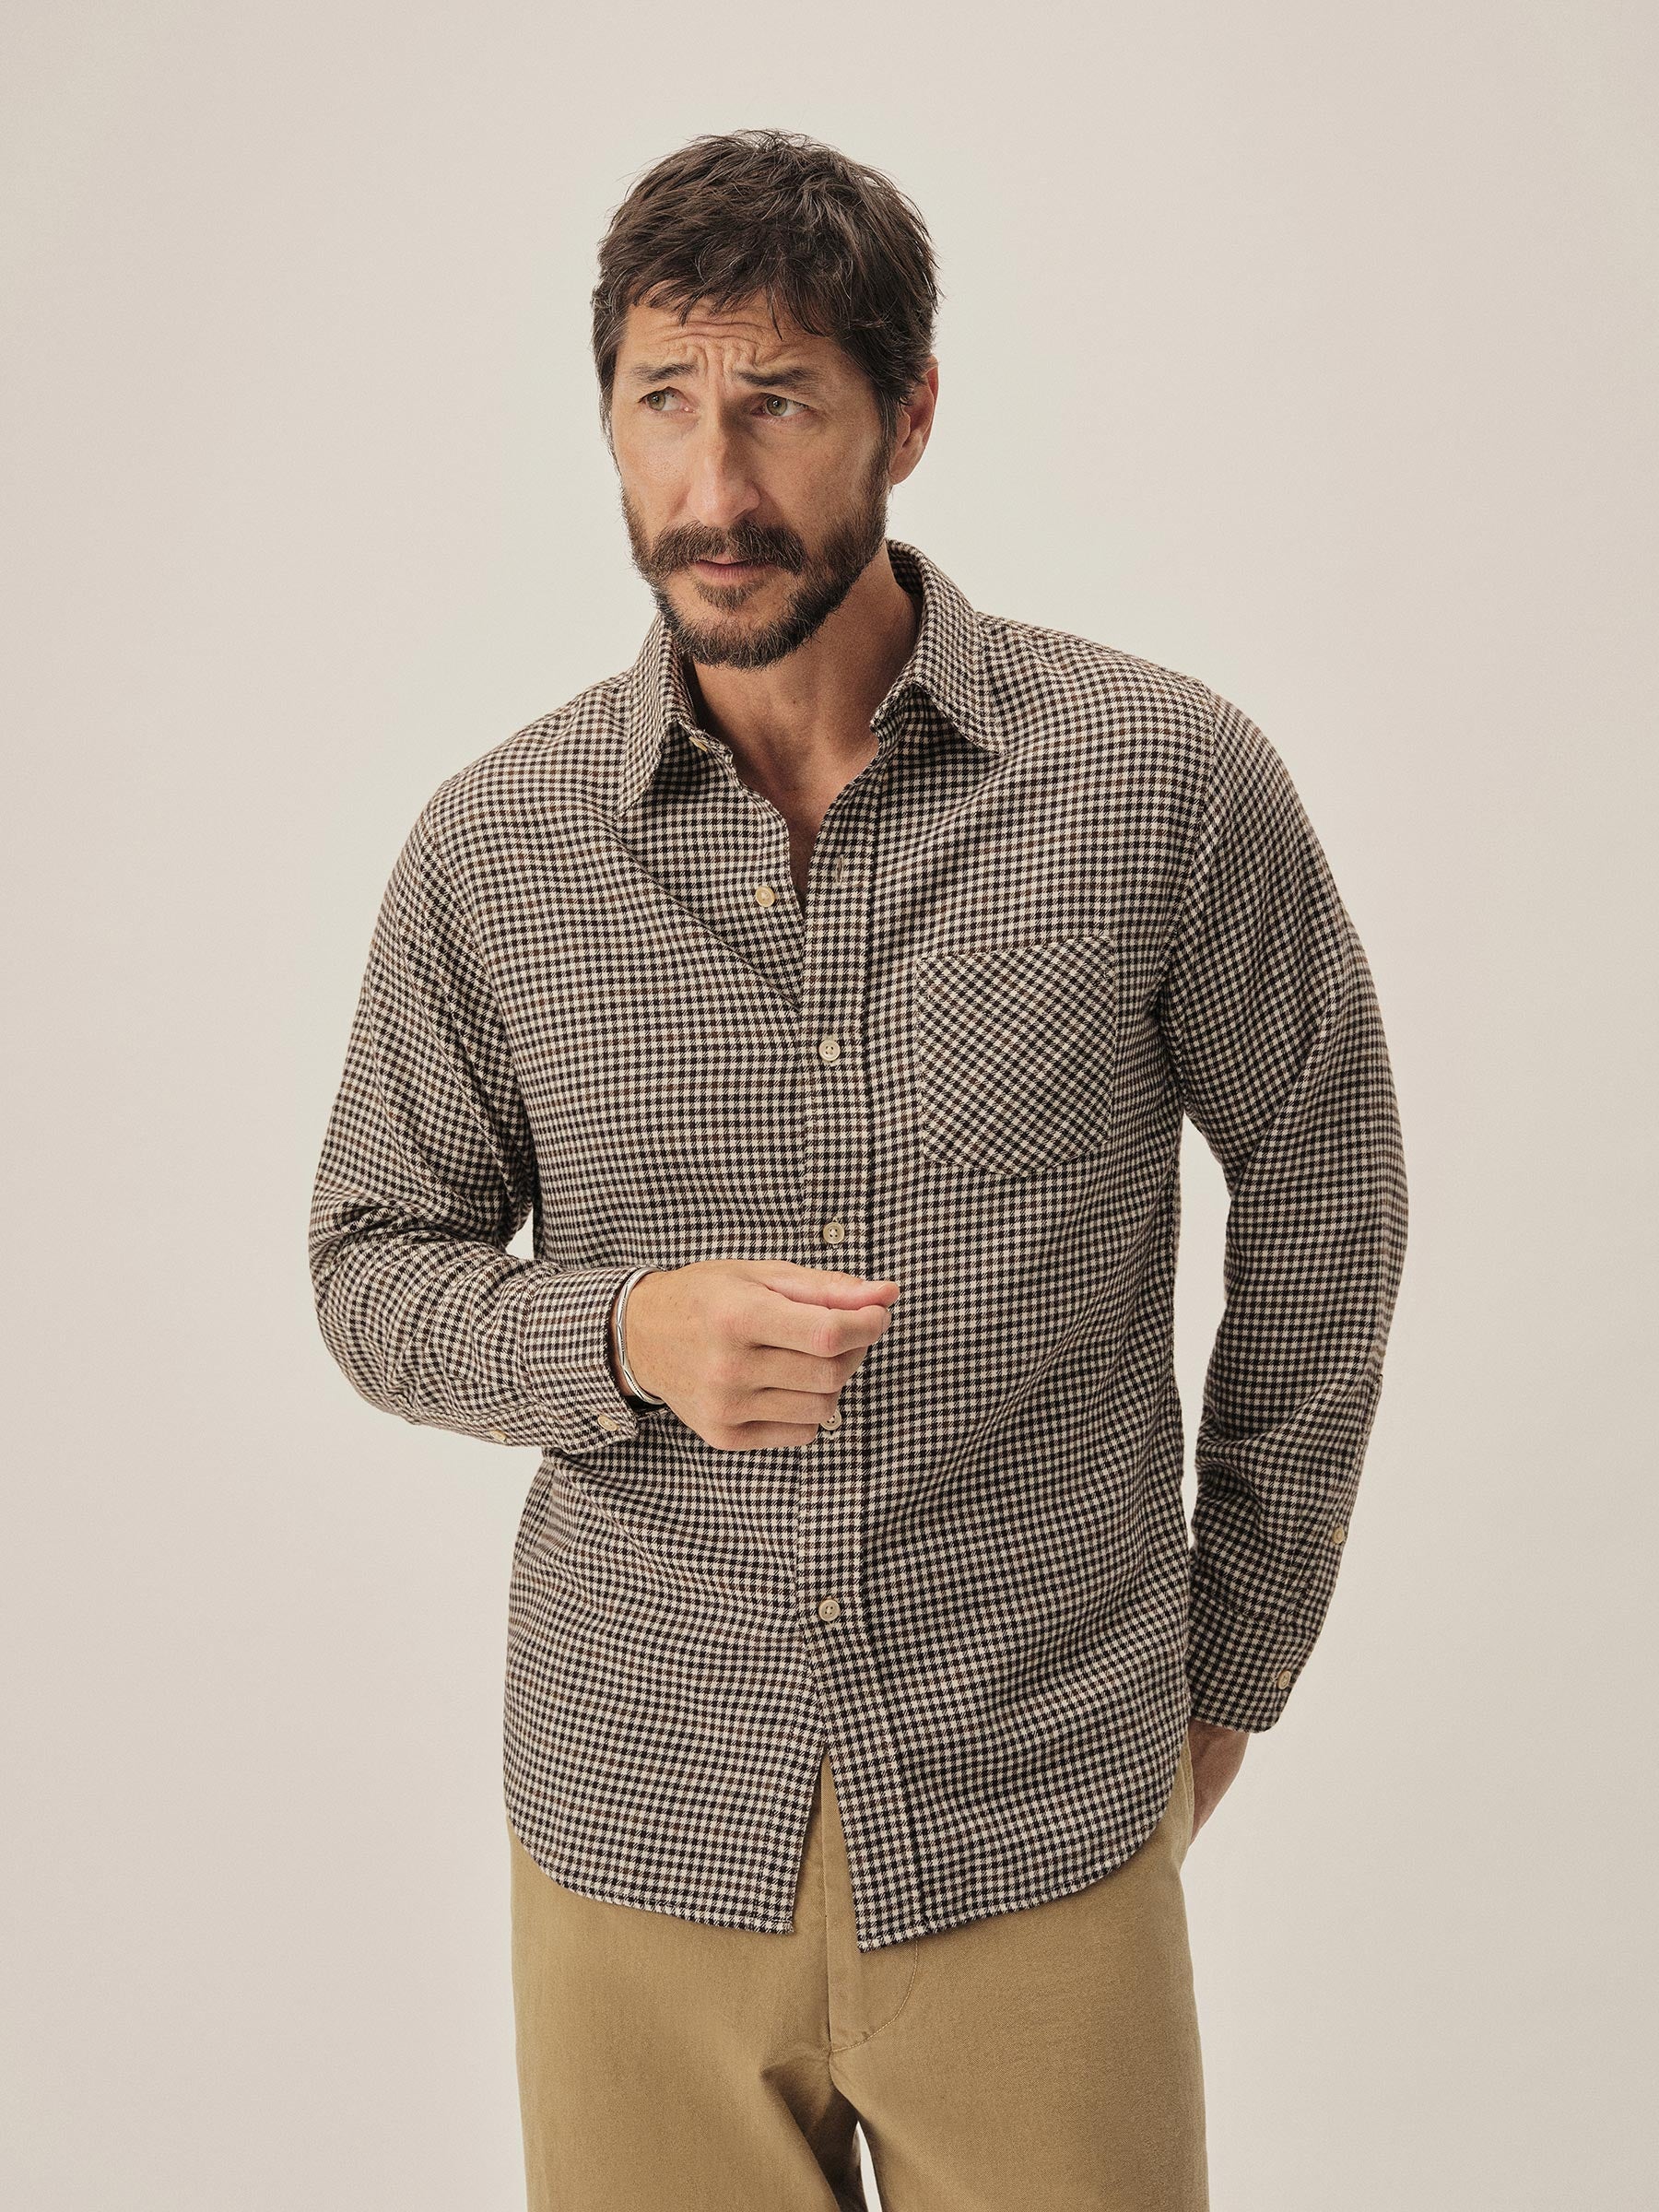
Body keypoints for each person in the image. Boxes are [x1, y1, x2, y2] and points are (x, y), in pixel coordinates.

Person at [308, 127, 1408, 2212]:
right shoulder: (495, 850)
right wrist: (623, 1335)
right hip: (642, 1827)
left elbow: (1330, 1191)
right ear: (607, 418)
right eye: (665, 401)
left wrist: (1232, 1667)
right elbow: (369, 1261)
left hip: (1039, 1815)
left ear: (907, 417)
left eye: (781, 403)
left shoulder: (1160, 784)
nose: (714, 485)